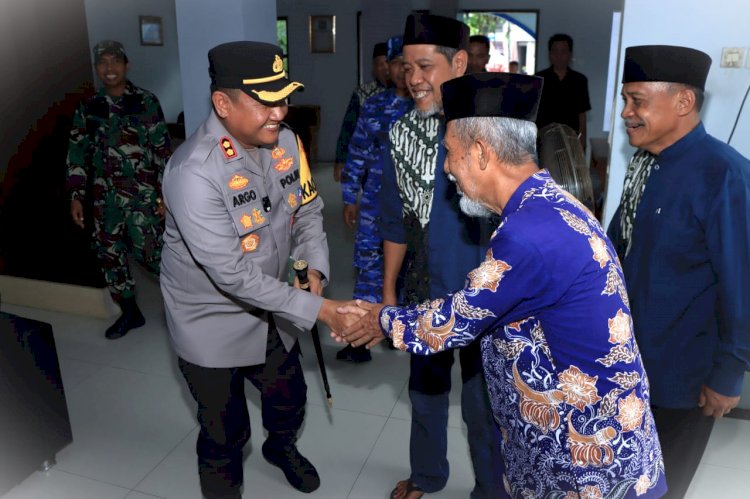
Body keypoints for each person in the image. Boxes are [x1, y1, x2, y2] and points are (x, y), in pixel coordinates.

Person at [336, 72, 668, 499]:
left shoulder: (529, 233)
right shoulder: (546, 204)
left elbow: (455, 320)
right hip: (580, 444)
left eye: (450, 154)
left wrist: (377, 319)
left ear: (479, 152)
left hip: (588, 467)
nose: (446, 168)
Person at [160, 41, 356, 499]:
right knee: (224, 433)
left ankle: (281, 449)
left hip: (274, 308)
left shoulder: (286, 142)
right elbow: (231, 276)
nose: (279, 113)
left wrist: (317, 271)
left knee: (289, 401)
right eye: (265, 102)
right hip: (210, 323)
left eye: (283, 98)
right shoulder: (193, 172)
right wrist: (322, 310)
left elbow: (307, 211)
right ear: (222, 104)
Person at [607, 45, 750, 499]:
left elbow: (742, 283)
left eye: (637, 101)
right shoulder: (644, 164)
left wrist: (729, 374)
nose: (626, 113)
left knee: (662, 489)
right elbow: (617, 250)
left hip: (683, 380)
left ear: (683, 102)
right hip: (627, 365)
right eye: (625, 100)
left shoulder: (724, 175)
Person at [378, 13, 501, 499]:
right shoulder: (401, 135)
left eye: (425, 66)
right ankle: (428, 475)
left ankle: (493, 489)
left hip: (485, 294)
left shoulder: (491, 128)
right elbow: (394, 221)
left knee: (482, 403)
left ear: (459, 62)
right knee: (425, 392)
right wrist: (388, 292)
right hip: (424, 289)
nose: (413, 80)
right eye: (406, 68)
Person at [66, 40, 171, 339]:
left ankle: (187, 308)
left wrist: (166, 195)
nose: (109, 68)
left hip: (143, 199)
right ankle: (130, 313)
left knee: (155, 257)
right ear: (97, 68)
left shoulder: (146, 102)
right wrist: (76, 195)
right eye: (103, 63)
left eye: (115, 61)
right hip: (103, 202)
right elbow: (77, 153)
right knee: (110, 258)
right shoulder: (88, 108)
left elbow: (163, 152)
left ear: (127, 65)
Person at [336, 35, 414, 363]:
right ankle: (360, 339)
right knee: (369, 267)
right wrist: (349, 196)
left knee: (412, 270)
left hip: (414, 208)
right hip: (375, 203)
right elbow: (357, 153)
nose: (400, 72)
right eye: (395, 64)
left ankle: (403, 329)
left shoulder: (427, 109)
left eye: (406, 66)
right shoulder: (374, 106)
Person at [333, 42, 390, 182]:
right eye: (380, 64)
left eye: (389, 62)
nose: (385, 68)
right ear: (374, 68)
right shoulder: (362, 93)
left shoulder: (409, 92)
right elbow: (348, 127)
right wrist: (340, 160)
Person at [535, 34, 590, 150]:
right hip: (543, 141)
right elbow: (532, 114)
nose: (558, 56)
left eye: (563, 52)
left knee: (567, 168)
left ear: (570, 54)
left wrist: (582, 143)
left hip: (570, 142)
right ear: (550, 54)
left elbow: (582, 115)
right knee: (544, 169)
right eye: (555, 52)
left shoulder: (579, 80)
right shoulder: (539, 79)